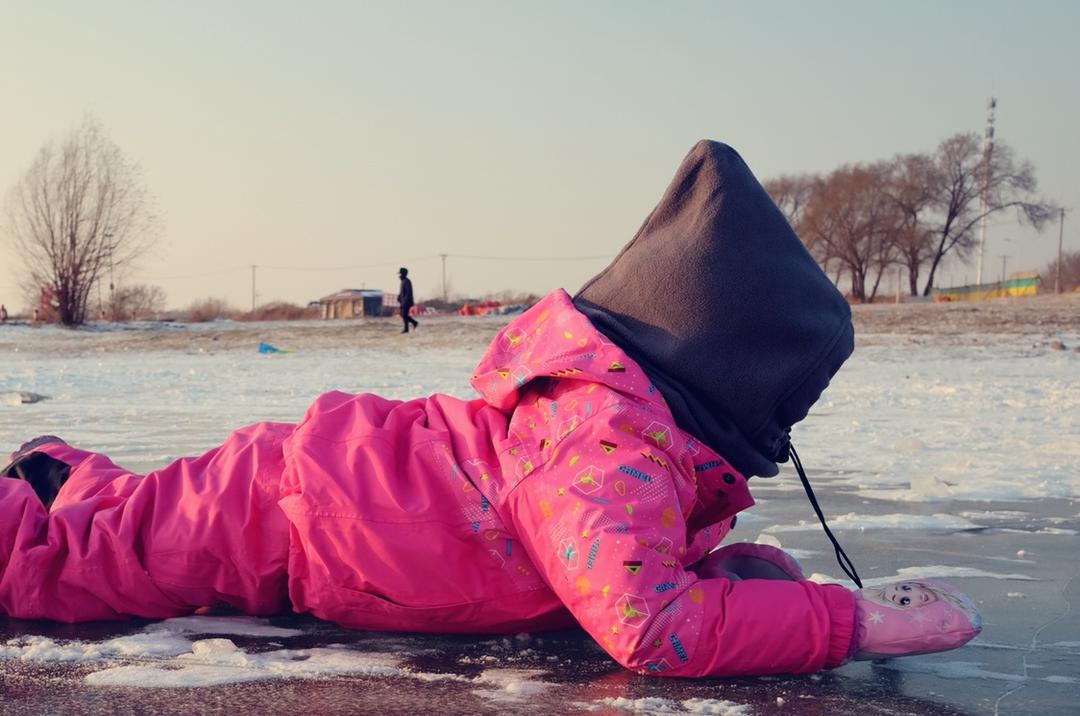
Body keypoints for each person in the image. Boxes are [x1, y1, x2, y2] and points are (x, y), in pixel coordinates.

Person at [0, 142, 980, 676]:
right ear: (735, 381)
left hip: (318, 494)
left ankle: (66, 473)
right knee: (67, 568)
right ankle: (42, 504)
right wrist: (849, 624)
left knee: (130, 519)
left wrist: (747, 576)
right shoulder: (608, 442)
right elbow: (651, 626)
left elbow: (610, 564)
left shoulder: (629, 437)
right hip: (287, 512)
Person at [397, 267, 419, 333]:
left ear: (404, 274)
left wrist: (404, 302)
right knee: (403, 315)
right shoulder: (403, 281)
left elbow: (408, 293)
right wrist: (399, 297)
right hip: (403, 302)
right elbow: (402, 292)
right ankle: (413, 323)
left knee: (404, 315)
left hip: (406, 302)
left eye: (400, 274)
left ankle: (407, 329)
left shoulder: (407, 281)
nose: (399, 275)